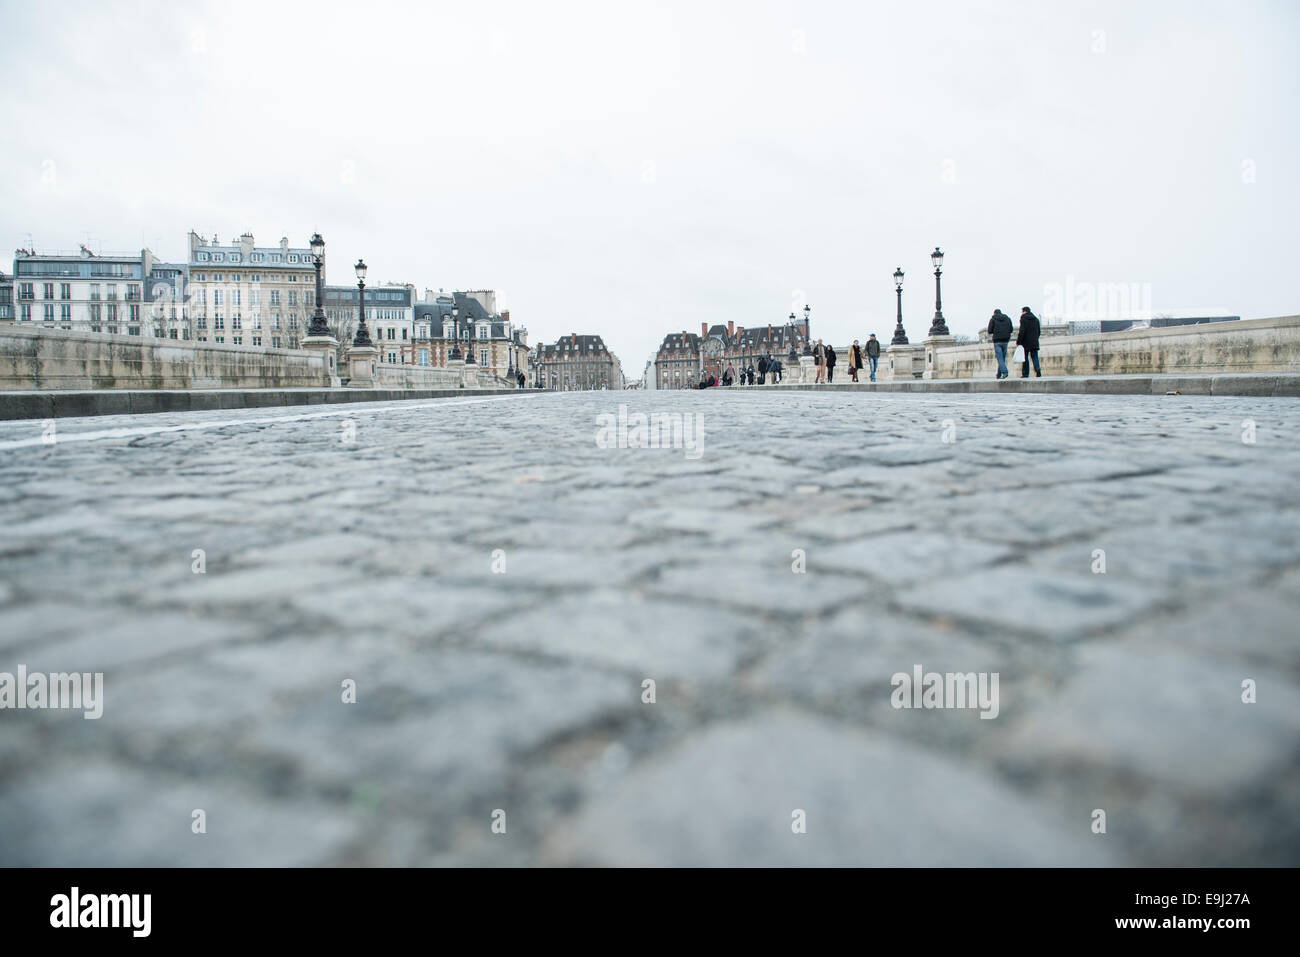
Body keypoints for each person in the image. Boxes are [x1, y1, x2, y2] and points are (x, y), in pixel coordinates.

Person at [987, 309, 1014, 379]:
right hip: (1005, 340)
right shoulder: (1008, 319)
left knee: (999, 358)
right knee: (1002, 358)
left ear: (994, 313)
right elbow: (1011, 329)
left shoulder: (993, 319)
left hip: (997, 340)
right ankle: (999, 375)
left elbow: (989, 331)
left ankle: (1004, 372)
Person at [1017, 307, 1042, 378]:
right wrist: (1035, 338)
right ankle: (1037, 369)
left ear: (1024, 311)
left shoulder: (1023, 319)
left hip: (1025, 342)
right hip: (1034, 341)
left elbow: (1022, 331)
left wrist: (1019, 341)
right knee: (1035, 356)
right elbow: (1039, 331)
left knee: (1025, 358)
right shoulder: (1036, 319)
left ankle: (1025, 374)